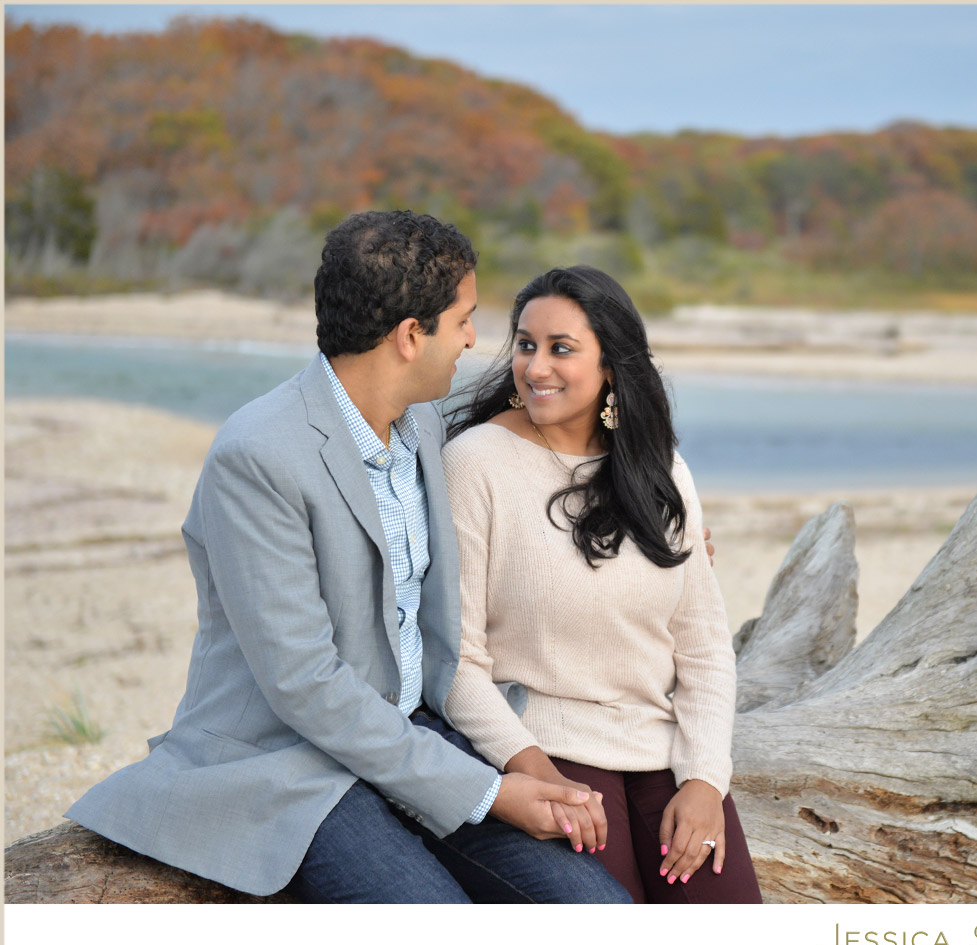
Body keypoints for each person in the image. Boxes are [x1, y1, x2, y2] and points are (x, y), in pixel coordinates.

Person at [65, 212, 630, 904]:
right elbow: (305, 683)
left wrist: (647, 520)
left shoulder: (421, 421)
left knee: (599, 911)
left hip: (418, 730)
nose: (475, 339)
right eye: (464, 319)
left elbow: (542, 447)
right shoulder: (258, 455)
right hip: (295, 759)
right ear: (410, 336)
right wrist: (487, 791)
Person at [439, 265, 763, 903]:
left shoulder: (661, 470)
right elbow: (455, 660)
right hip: (546, 747)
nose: (535, 368)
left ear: (612, 365)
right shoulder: (475, 463)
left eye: (562, 349)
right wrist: (530, 771)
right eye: (526, 345)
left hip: (660, 751)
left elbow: (702, 646)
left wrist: (704, 779)